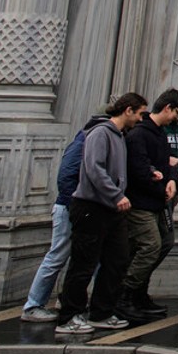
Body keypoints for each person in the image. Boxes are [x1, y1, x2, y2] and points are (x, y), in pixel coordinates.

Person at [56, 93, 148, 335]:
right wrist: (116, 194)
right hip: (91, 206)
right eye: (139, 114)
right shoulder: (100, 133)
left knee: (117, 260)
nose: (140, 119)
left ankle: (101, 311)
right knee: (83, 263)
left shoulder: (119, 136)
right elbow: (94, 168)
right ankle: (69, 316)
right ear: (128, 110)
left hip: (112, 210)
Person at [22, 111, 104, 323]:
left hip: (81, 208)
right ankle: (33, 305)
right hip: (70, 208)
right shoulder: (85, 140)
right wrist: (76, 205)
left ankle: (68, 298)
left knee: (87, 258)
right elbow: (66, 176)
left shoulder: (92, 139)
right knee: (57, 256)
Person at [120, 90, 178, 322]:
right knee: (150, 245)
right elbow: (140, 171)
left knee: (165, 242)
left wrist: (171, 179)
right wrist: (162, 186)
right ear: (168, 108)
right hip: (142, 202)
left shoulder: (160, 133)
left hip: (159, 202)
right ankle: (125, 295)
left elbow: (170, 161)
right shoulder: (139, 134)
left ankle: (139, 292)